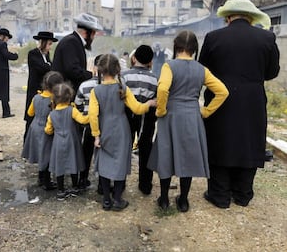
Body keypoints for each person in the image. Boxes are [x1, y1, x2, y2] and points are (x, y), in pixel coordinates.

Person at [199, 0, 280, 208]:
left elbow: (203, 71)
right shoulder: (267, 38)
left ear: (228, 17)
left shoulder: (213, 37)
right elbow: (272, 72)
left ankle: (220, 195)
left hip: (220, 98)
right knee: (249, 141)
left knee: (220, 141)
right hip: (252, 99)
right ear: (251, 18)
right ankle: (243, 194)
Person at [147, 31, 229, 212]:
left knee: (166, 155)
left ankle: (164, 199)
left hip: (171, 116)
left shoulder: (169, 66)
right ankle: (183, 201)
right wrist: (206, 111)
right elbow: (223, 91)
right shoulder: (202, 69)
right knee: (188, 157)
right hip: (192, 116)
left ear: (176, 46)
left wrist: (161, 110)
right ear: (194, 48)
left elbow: (162, 90)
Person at [88, 54, 156, 211]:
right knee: (120, 162)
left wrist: (96, 135)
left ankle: (106, 200)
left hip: (104, 129)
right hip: (122, 130)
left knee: (104, 163)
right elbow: (137, 108)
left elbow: (92, 115)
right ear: (118, 69)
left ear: (99, 70)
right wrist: (149, 103)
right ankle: (118, 199)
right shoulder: (122, 89)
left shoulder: (96, 91)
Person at [121, 45, 158, 195]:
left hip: (126, 115)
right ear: (150, 61)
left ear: (134, 58)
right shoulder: (155, 79)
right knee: (146, 149)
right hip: (147, 117)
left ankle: (120, 182)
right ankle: (145, 185)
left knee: (124, 147)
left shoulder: (124, 76)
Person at [45, 82, 89, 201]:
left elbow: (48, 130)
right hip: (72, 140)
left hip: (58, 141)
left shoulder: (52, 114)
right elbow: (83, 120)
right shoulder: (72, 110)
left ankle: (60, 190)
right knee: (73, 161)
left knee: (59, 165)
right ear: (69, 97)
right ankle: (74, 187)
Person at [22, 71, 64, 191]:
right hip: (47, 129)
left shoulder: (36, 97)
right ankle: (47, 182)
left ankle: (40, 178)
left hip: (35, 127)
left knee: (40, 153)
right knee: (47, 155)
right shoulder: (54, 100)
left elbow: (30, 113)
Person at [52, 13, 103, 93]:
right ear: (89, 32)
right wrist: (92, 74)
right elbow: (72, 70)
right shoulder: (71, 42)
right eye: (93, 34)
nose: (93, 37)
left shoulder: (75, 41)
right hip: (63, 94)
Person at [24, 31, 58, 141]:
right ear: (43, 43)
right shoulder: (33, 53)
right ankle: (27, 142)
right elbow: (44, 68)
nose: (50, 46)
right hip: (35, 89)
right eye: (49, 44)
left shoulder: (47, 55)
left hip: (46, 90)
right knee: (31, 117)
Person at [74, 54, 102, 189]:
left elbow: (77, 103)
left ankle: (83, 178)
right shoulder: (115, 86)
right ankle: (103, 182)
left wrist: (84, 114)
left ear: (95, 67)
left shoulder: (85, 85)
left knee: (86, 151)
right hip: (106, 125)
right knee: (104, 153)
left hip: (89, 124)